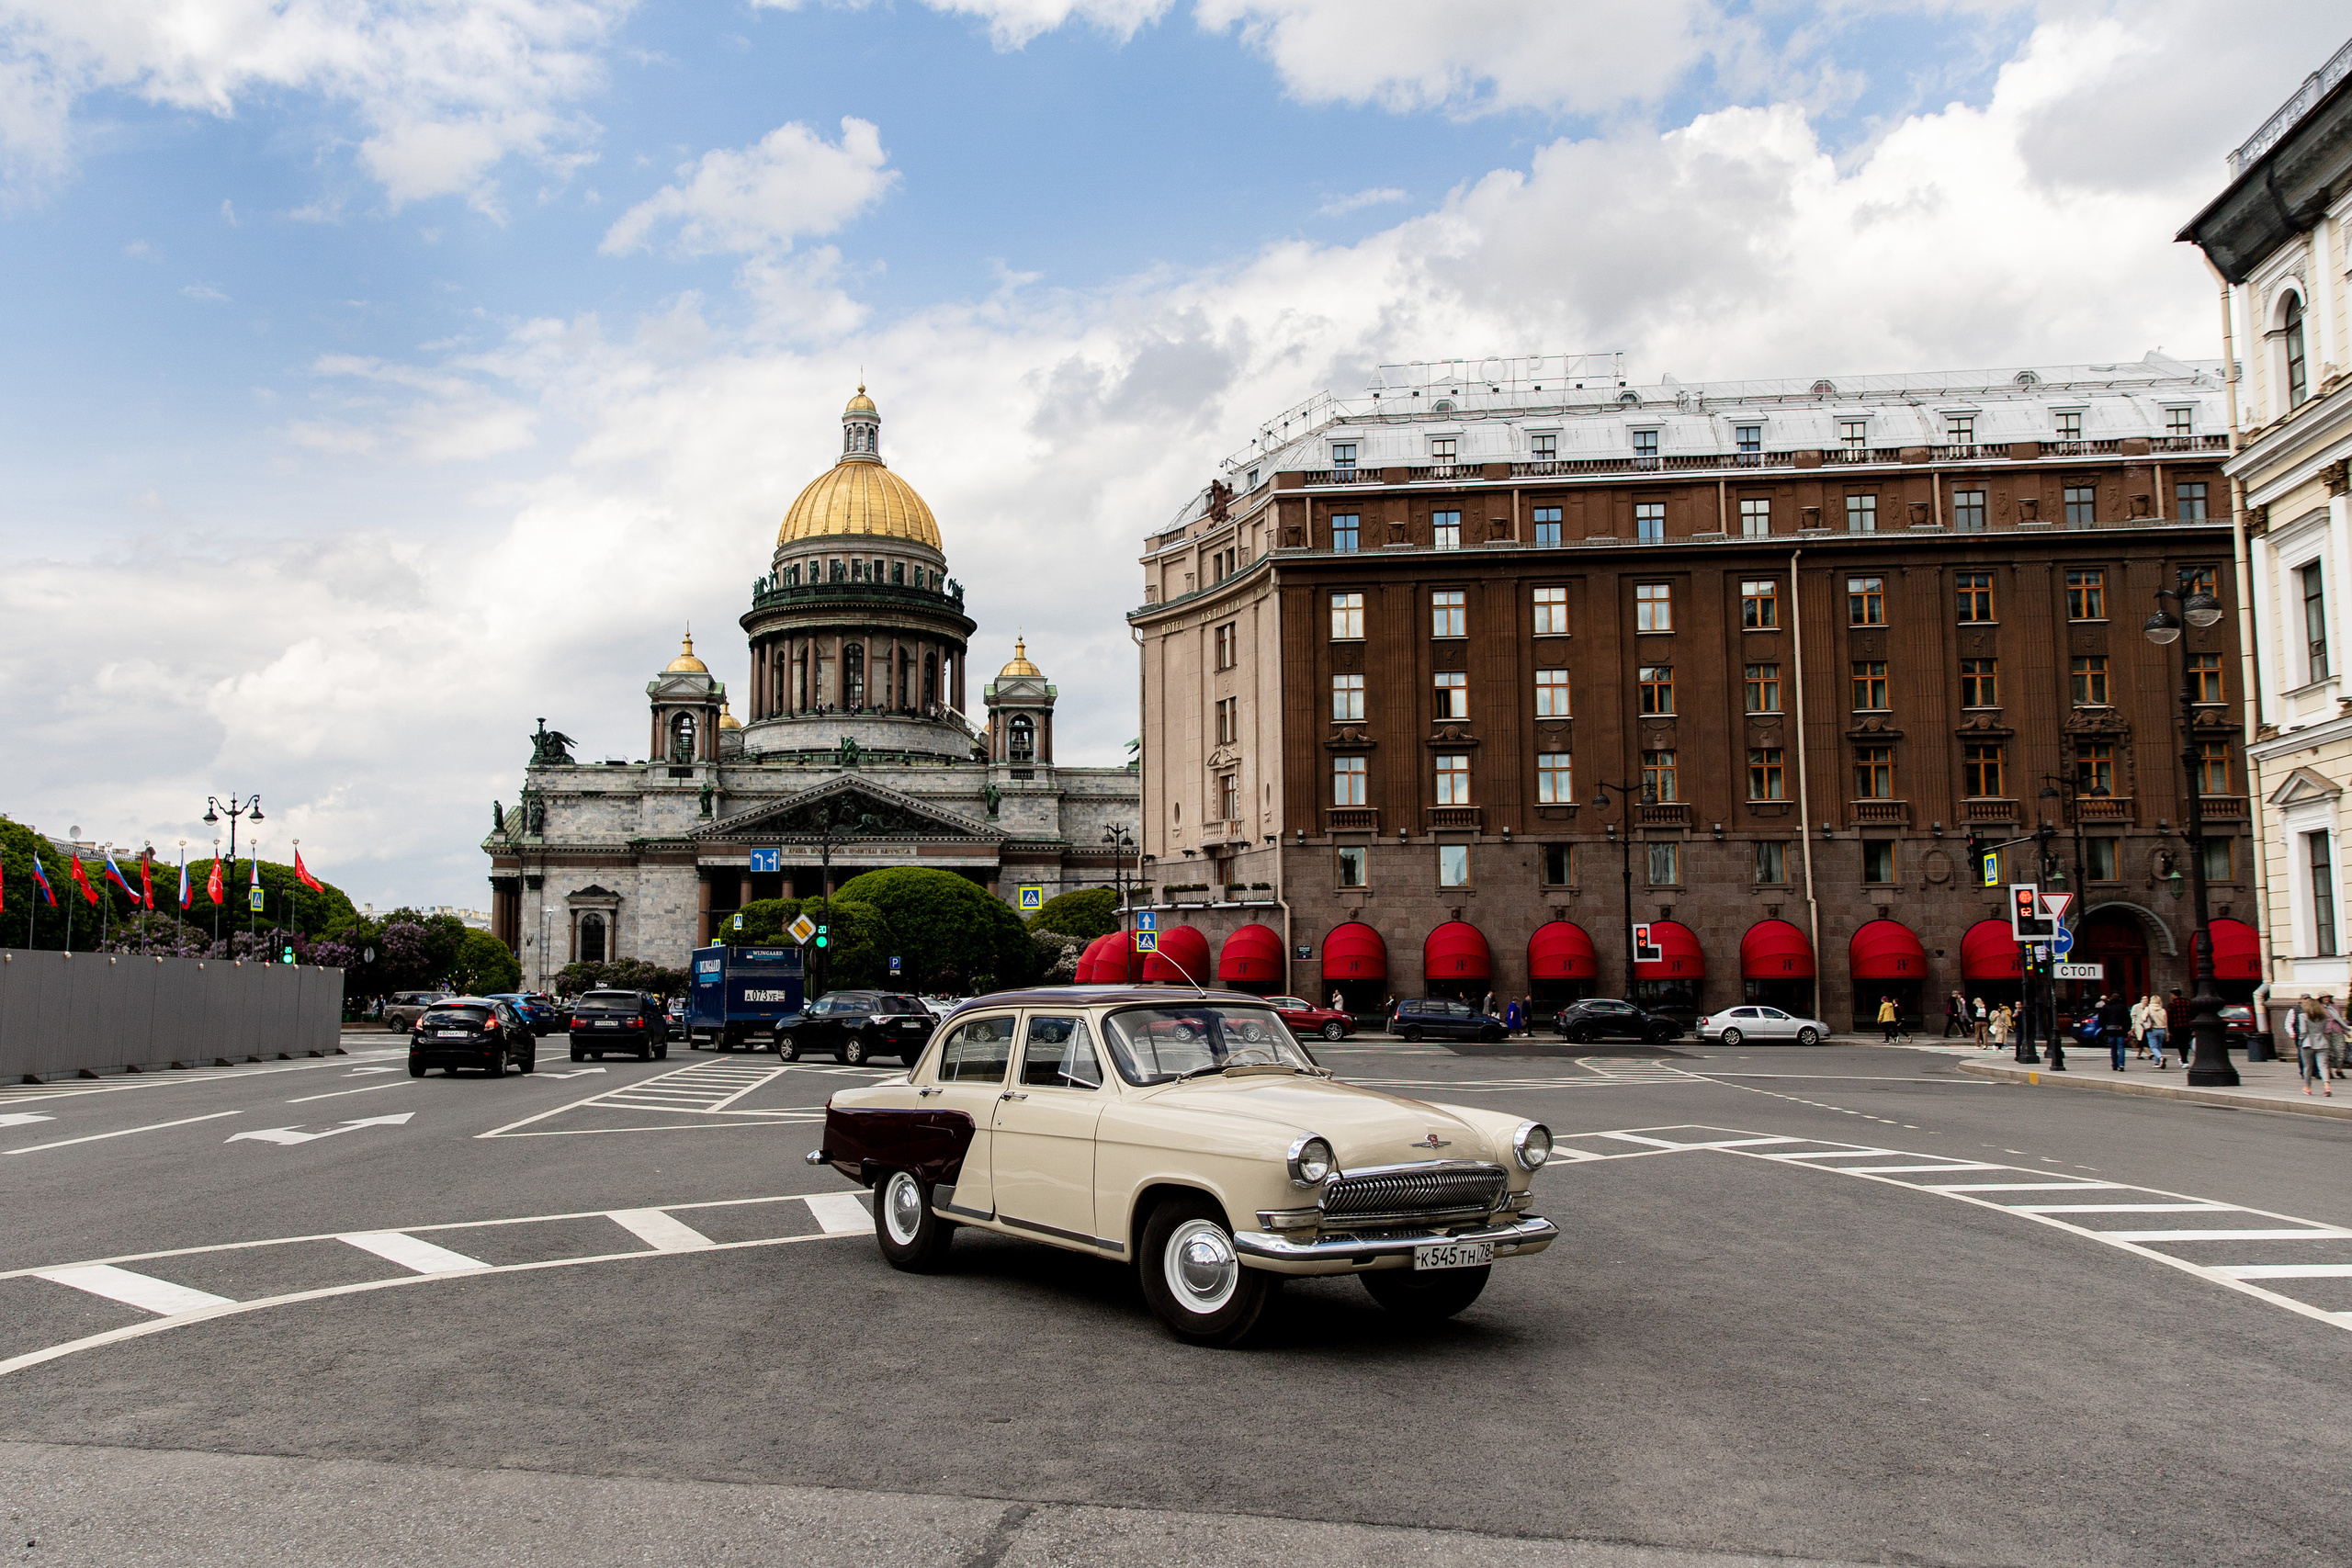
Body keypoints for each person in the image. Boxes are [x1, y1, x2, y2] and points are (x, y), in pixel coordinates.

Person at [2300, 998, 2332, 1096]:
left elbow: (2303, 1031)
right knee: (2323, 1066)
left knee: (2307, 1067)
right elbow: (2325, 1030)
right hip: (2322, 1042)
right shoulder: (2324, 1017)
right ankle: (2327, 1086)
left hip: (2308, 1043)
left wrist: (2300, 1041)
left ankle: (2308, 1087)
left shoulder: (2303, 1016)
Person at [2100, 991, 2132, 1071]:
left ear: (2111, 998)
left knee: (2113, 1048)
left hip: (2110, 1029)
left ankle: (2114, 1064)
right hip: (2120, 1030)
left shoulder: (2106, 1007)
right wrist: (2126, 1029)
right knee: (2121, 1047)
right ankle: (2121, 1064)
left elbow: (2101, 1018)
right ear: (2120, 998)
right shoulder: (2122, 1007)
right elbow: (2127, 1019)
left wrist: (2104, 1028)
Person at [2142, 993, 2171, 1069]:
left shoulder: (2148, 1008)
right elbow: (2166, 1022)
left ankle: (2160, 1058)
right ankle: (2157, 1062)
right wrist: (2167, 1033)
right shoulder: (2163, 1010)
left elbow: (2143, 1018)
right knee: (2159, 1046)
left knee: (2153, 1047)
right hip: (2162, 1029)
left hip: (2152, 1029)